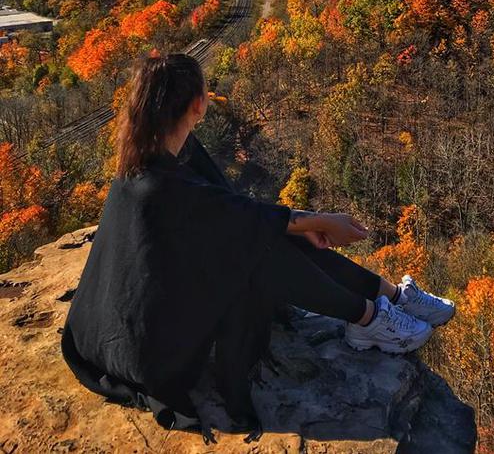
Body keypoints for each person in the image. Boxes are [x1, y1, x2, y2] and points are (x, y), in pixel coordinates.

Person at [61, 52, 455, 442]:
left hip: (132, 317)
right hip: (148, 347)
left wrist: (302, 224)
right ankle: (369, 320)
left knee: (266, 235)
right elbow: (240, 220)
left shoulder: (151, 154)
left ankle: (389, 297)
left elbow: (236, 212)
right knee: (260, 252)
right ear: (197, 105)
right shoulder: (163, 184)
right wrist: (316, 221)